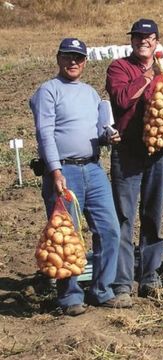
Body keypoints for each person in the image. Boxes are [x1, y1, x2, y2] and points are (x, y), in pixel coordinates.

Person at [31, 38, 126, 315]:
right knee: (65, 235)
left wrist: (110, 137)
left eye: (78, 58)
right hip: (64, 170)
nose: (73, 62)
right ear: (58, 58)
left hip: (93, 168)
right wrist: (55, 170)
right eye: (68, 56)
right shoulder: (48, 91)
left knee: (109, 229)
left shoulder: (91, 94)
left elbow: (99, 130)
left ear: (84, 62)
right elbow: (44, 133)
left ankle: (101, 289)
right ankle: (70, 296)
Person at [106, 19, 163, 302]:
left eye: (149, 37)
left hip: (159, 152)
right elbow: (122, 99)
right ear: (131, 41)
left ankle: (150, 278)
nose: (144, 41)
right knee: (124, 217)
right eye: (138, 36)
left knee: (153, 215)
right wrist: (149, 75)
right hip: (127, 151)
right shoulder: (119, 68)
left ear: (156, 40)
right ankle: (122, 284)